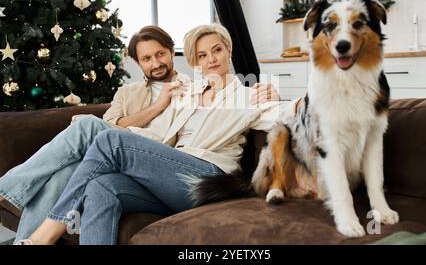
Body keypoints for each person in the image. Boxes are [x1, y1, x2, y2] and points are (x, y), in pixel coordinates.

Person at [17, 23, 287, 245]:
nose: (211, 59)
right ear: (195, 61)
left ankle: (44, 235)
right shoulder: (186, 94)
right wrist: (100, 126)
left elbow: (288, 114)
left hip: (208, 177)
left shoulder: (250, 95)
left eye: (217, 50)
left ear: (228, 50)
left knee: (110, 142)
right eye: (202, 55)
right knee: (102, 186)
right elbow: (154, 135)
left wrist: (277, 96)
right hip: (170, 178)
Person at [0, 25, 190, 242]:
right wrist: (155, 107)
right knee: (65, 173)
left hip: (148, 166)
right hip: (107, 159)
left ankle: (6, 188)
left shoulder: (189, 91)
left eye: (160, 54)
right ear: (138, 63)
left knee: (87, 126)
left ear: (172, 51)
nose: (155, 63)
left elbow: (166, 142)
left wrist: (158, 107)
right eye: (146, 58)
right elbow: (108, 126)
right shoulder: (127, 92)